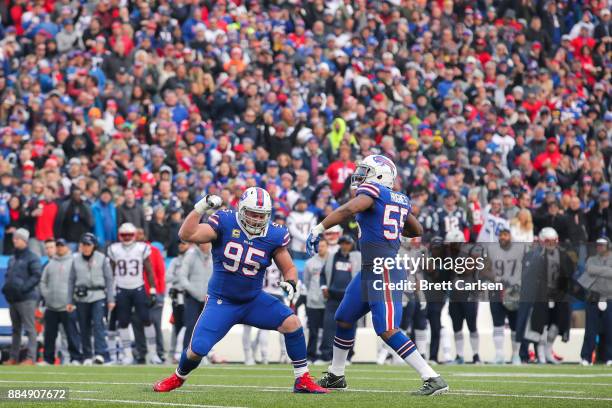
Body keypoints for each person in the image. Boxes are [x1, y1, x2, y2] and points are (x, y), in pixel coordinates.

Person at [153, 187, 327, 394]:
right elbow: (186, 234)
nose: (255, 219)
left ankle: (302, 379)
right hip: (222, 301)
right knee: (197, 350)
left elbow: (288, 267)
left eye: (261, 215)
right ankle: (178, 377)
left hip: (253, 300)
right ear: (241, 209)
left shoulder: (275, 234)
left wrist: (291, 282)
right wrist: (201, 207)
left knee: (292, 323)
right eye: (252, 213)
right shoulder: (225, 222)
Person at [306, 154, 448, 395]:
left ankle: (432, 377)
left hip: (384, 267)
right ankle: (336, 375)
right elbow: (417, 229)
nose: (360, 175)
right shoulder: (399, 198)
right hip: (370, 269)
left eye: (365, 171)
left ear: (380, 175)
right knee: (344, 317)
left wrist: (320, 227)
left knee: (386, 328)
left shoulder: (374, 191)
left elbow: (351, 208)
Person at [106, 222, 158, 365]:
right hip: (121, 289)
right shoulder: (114, 249)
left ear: (134, 235)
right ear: (120, 236)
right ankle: (127, 354)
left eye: (129, 235)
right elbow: (110, 273)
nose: (127, 238)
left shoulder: (142, 248)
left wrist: (152, 290)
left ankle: (153, 353)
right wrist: (110, 291)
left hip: (138, 288)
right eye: (124, 235)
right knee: (123, 322)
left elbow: (149, 270)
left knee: (146, 320)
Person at [67, 233, 114, 365]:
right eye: (83, 245)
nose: (86, 247)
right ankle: (87, 355)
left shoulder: (102, 258)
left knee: (98, 324)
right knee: (84, 326)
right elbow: (71, 281)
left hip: (98, 295)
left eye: (88, 245)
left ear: (94, 246)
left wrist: (110, 299)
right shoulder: (75, 260)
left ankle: (100, 354)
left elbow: (109, 280)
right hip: (81, 297)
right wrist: (69, 301)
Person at [2, 228, 42, 365]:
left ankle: (31, 358)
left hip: (27, 298)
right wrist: (7, 289)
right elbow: (9, 276)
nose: (14, 240)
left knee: (30, 329)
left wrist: (23, 289)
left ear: (24, 240)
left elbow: (37, 275)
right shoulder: (13, 258)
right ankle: (14, 357)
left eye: (17, 238)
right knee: (16, 330)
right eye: (14, 238)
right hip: (14, 299)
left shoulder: (32, 257)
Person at [486, 227, 526, 364]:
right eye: (501, 235)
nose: (503, 237)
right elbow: (485, 268)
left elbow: (527, 267)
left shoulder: (520, 248)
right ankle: (499, 354)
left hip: (515, 291)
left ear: (510, 236)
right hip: (497, 290)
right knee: (498, 323)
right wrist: (495, 278)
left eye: (506, 235)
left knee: (515, 325)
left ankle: (516, 355)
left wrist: (520, 283)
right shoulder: (491, 249)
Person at [318, 235, 361, 364]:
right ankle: (327, 355)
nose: (344, 246)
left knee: (349, 327)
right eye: (342, 243)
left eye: (347, 243)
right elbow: (322, 274)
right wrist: (324, 287)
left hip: (350, 298)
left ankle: (347, 357)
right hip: (333, 297)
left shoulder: (358, 257)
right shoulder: (332, 257)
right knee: (329, 326)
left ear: (351, 244)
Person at [40, 239, 81, 365]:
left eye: (62, 246)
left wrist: (73, 300)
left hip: (67, 306)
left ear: (67, 247)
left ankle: (74, 358)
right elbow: (43, 281)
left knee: (71, 334)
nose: (59, 248)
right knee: (49, 335)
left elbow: (78, 282)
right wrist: (47, 295)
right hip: (51, 306)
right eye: (58, 246)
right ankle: (48, 359)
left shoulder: (73, 262)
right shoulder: (50, 263)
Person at [578, 238, 612, 366]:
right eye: (598, 245)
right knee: (590, 329)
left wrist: (597, 271)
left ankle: (609, 357)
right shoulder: (591, 259)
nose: (599, 247)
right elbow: (589, 269)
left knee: (610, 329)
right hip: (593, 297)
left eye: (602, 245)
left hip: (609, 297)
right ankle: (586, 357)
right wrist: (606, 271)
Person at [179, 241, 213, 351]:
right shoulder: (191, 255)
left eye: (208, 242)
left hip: (208, 298)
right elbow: (182, 277)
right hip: (192, 297)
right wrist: (193, 291)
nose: (205, 245)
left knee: (206, 327)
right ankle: (185, 352)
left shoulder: (214, 256)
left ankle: (203, 353)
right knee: (190, 326)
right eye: (203, 242)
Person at [303, 239, 329, 362]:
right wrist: (313, 294)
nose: (322, 248)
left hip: (328, 302)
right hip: (313, 302)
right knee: (313, 331)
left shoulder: (332, 261)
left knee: (326, 331)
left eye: (324, 246)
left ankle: (324, 355)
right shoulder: (310, 263)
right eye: (320, 246)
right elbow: (306, 281)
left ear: (327, 247)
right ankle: (311, 355)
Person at [166, 240, 190, 363]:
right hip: (177, 297)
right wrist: (180, 277)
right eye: (179, 243)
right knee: (177, 325)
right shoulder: (175, 261)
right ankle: (174, 353)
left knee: (190, 325)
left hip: (190, 296)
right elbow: (167, 277)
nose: (180, 245)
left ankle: (185, 352)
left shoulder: (193, 259)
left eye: (184, 243)